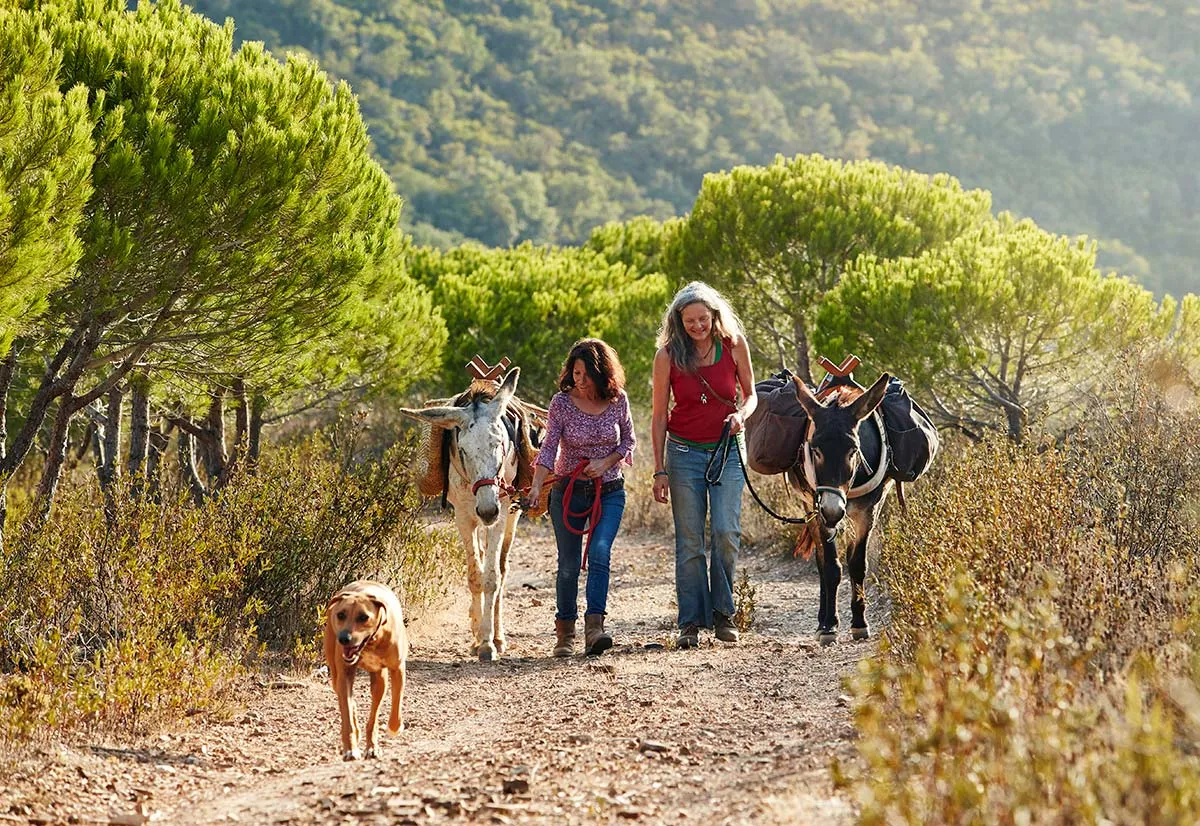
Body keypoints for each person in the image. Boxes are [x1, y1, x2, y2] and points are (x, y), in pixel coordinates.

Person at [651, 282, 757, 649]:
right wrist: (659, 469)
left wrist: (742, 415)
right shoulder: (667, 356)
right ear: (678, 321)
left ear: (714, 316)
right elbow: (659, 415)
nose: (697, 326)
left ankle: (724, 614)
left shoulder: (735, 345)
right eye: (690, 321)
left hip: (728, 449)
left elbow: (752, 395)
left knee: (727, 531)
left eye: (703, 319)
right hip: (682, 454)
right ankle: (691, 621)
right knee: (690, 539)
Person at [529, 339, 636, 657]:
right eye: (576, 373)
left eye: (587, 374)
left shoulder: (617, 400)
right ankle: (565, 633)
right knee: (569, 565)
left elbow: (629, 440)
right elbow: (549, 447)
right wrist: (537, 486)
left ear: (602, 374)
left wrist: (605, 463)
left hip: (610, 490)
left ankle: (595, 629)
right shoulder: (561, 403)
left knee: (600, 553)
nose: (581, 380)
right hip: (568, 491)